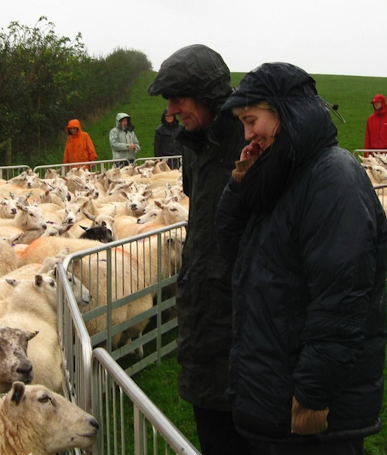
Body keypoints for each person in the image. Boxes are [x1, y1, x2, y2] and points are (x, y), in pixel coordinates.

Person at [216, 62, 387, 455]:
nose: (247, 134)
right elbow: (233, 251)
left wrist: (312, 396)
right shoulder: (280, 175)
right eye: (242, 123)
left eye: (252, 120)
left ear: (286, 114)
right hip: (272, 397)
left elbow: (341, 299)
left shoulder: (332, 179)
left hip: (311, 421)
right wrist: (241, 180)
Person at [147, 44, 250, 455]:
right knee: (212, 430)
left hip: (239, 323)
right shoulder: (197, 150)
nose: (171, 111)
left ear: (207, 95)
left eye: (178, 98)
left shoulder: (249, 147)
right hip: (203, 319)